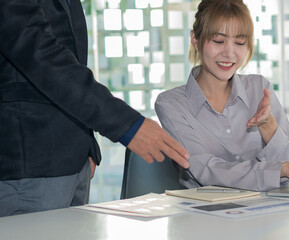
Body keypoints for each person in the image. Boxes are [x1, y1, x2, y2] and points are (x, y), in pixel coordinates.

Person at [0, 0, 189, 217]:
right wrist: (127, 125)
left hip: (74, 162)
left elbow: (71, 61)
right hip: (29, 164)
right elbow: (42, 56)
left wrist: (85, 144)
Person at [155, 0, 289, 192]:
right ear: (195, 40)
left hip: (267, 211)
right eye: (218, 41)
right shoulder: (170, 104)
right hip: (205, 215)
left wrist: (269, 126)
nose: (229, 53)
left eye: (240, 42)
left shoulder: (259, 87)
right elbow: (206, 170)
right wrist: (282, 169)